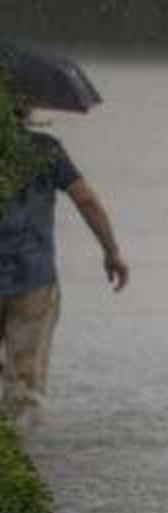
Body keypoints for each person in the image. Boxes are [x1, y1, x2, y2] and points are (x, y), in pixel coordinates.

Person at [0, 97, 129, 431]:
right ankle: (20, 452)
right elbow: (85, 198)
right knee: (26, 381)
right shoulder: (45, 149)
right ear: (27, 108)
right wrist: (111, 251)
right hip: (32, 279)